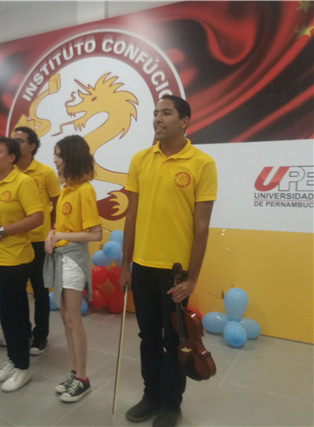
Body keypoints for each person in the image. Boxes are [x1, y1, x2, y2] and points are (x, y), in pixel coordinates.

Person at [119, 95, 217, 427]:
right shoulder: (140, 160)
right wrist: (125, 265)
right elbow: (130, 216)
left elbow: (201, 226)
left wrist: (192, 278)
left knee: (175, 340)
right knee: (147, 337)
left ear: (184, 121)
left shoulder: (202, 163)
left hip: (176, 274)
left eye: (166, 113)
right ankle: (151, 396)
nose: (158, 119)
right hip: (143, 267)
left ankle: (171, 404)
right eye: (155, 113)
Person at [0, 137, 43, 392]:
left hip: (13, 258)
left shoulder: (23, 182)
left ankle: (22, 367)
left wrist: (4, 230)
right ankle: (13, 358)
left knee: (12, 313)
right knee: (4, 311)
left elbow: (37, 217)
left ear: (12, 157)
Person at [43, 135, 101, 403]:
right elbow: (63, 225)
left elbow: (95, 233)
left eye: (59, 155)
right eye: (55, 155)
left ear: (71, 157)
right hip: (61, 257)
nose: (55, 160)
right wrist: (52, 233)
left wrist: (61, 235)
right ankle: (74, 372)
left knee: (73, 319)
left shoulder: (85, 190)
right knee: (66, 318)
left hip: (74, 260)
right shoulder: (67, 189)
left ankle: (83, 378)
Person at [14, 126, 60, 355]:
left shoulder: (45, 173)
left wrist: (50, 230)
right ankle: (22, 332)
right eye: (13, 140)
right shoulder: (9, 172)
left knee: (40, 292)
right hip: (14, 241)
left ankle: (40, 336)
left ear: (32, 146)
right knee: (17, 291)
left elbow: (57, 204)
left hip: (39, 241)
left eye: (20, 141)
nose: (15, 144)